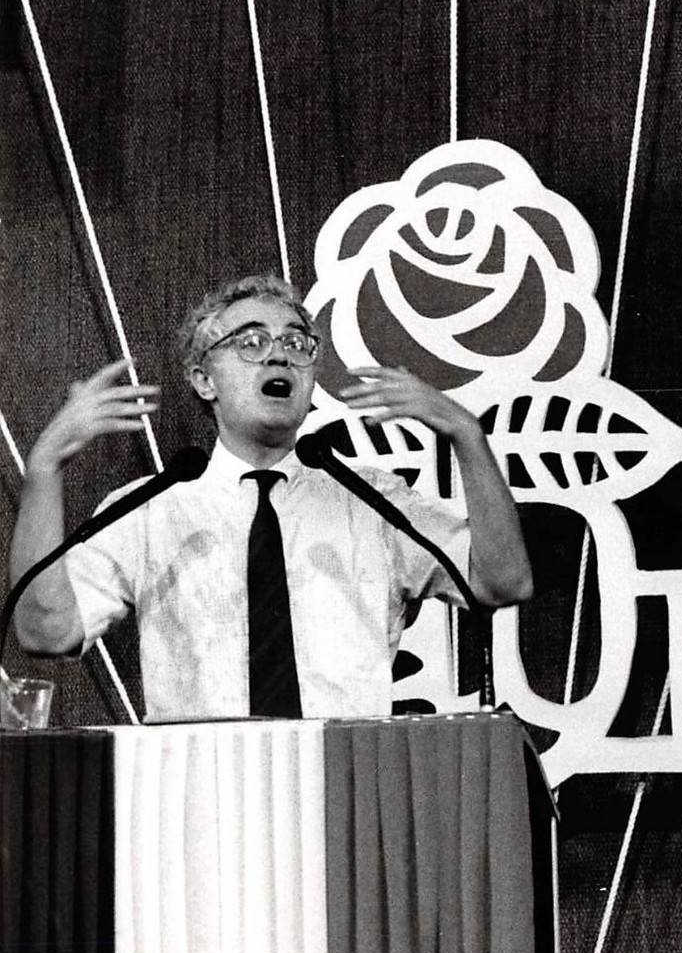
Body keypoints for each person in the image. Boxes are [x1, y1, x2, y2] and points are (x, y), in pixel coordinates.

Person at [8, 272, 532, 720]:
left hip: (342, 789)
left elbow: (502, 580)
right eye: (251, 342)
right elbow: (44, 631)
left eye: (296, 344)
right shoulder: (151, 507)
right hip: (198, 798)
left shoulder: (372, 501)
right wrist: (45, 470)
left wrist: (467, 435)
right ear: (203, 379)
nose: (279, 355)